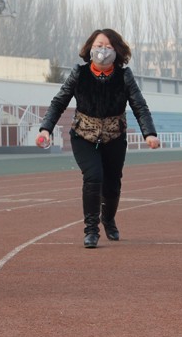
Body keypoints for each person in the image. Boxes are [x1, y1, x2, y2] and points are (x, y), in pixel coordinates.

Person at [37, 29, 160, 248]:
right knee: (93, 177)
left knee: (112, 184)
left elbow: (139, 106)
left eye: (108, 47)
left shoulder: (124, 76)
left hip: (114, 138)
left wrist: (149, 133)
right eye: (99, 46)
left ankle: (108, 219)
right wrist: (45, 129)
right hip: (83, 136)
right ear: (90, 49)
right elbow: (59, 102)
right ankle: (91, 230)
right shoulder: (79, 73)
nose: (103, 51)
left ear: (117, 51)